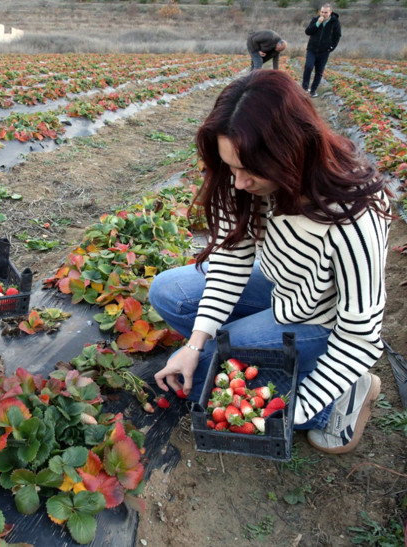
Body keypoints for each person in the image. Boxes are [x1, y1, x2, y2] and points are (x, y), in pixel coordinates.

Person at [150, 70, 392, 454]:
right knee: (168, 292)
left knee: (208, 388)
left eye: (249, 170)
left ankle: (336, 402)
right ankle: (263, 354)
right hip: (284, 287)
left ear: (291, 152)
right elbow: (230, 263)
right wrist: (196, 346)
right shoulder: (245, 179)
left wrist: (294, 410)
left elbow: (361, 336)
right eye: (231, 167)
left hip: (320, 319)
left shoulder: (352, 215)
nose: (239, 182)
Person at [302, 3, 341, 97]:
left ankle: (313, 91)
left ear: (330, 12)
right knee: (308, 67)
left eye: (325, 12)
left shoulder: (335, 22)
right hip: (312, 49)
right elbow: (308, 32)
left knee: (319, 72)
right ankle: (304, 89)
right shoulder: (315, 20)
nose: (323, 14)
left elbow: (337, 36)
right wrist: (317, 23)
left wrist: (331, 48)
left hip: (324, 51)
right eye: (322, 12)